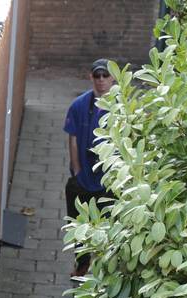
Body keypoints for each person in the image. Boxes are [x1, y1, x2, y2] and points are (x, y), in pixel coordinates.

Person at [64, 58, 117, 277]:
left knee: (109, 226)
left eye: (105, 75)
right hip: (84, 178)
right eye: (97, 75)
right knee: (79, 224)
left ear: (113, 78)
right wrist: (77, 170)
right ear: (91, 77)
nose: (101, 80)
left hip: (108, 181)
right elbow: (73, 138)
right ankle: (82, 264)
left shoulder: (120, 108)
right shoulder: (79, 106)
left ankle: (106, 269)